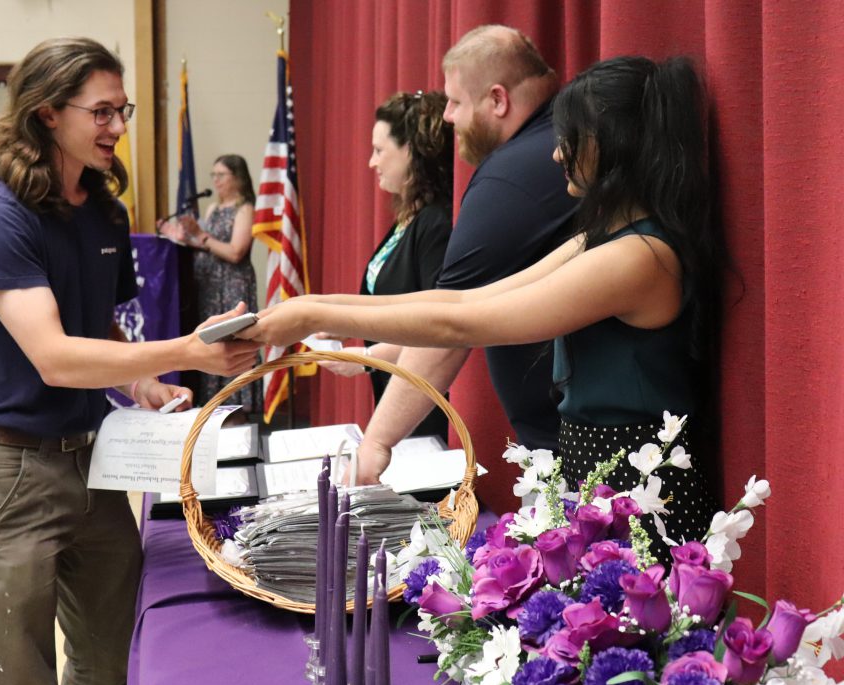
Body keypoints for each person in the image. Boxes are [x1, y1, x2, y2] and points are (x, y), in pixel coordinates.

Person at [244, 54, 724, 544]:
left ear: (613, 144)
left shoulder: (638, 257)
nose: (559, 155)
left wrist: (311, 314)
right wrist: (310, 308)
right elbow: (461, 302)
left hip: (638, 495)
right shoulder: (602, 239)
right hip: (595, 477)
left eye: (572, 138)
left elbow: (464, 324)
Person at [0, 38, 258, 685]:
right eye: (104, 112)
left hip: (93, 459)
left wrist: (145, 380)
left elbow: (98, 328)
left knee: (108, 660)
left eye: (125, 109)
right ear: (48, 113)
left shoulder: (104, 211)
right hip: (9, 470)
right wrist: (184, 353)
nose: (118, 126)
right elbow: (54, 355)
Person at [310, 26, 577, 484]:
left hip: (574, 449)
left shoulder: (510, 177)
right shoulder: (554, 134)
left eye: (455, 101)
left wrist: (376, 444)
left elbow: (449, 323)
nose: (447, 116)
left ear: (498, 100)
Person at [318, 90, 454, 439]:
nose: (371, 162)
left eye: (380, 151)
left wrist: (364, 357)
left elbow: (436, 328)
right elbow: (388, 303)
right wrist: (343, 325)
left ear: (412, 151)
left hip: (424, 403)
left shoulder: (436, 222)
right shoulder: (410, 218)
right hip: (395, 391)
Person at [159, 155, 263, 414]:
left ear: (237, 178)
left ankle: (239, 410)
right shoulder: (213, 208)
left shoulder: (245, 208)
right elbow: (205, 245)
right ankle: (216, 408)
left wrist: (201, 235)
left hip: (231, 285)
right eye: (213, 175)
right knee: (212, 341)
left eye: (221, 175)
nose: (215, 181)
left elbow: (236, 251)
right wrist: (181, 235)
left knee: (233, 340)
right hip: (208, 286)